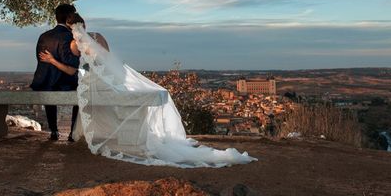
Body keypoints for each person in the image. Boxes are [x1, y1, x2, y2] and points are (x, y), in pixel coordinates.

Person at [41, 17, 257, 168]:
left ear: (71, 29)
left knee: (94, 102)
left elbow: (73, 68)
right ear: (84, 25)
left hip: (93, 83)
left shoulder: (73, 44)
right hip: (107, 80)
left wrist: (52, 60)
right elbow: (107, 60)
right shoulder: (98, 37)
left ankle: (110, 137)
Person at [30, 3, 80, 141]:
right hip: (63, 82)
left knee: (49, 86)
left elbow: (40, 60)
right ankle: (73, 132)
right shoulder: (69, 36)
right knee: (83, 88)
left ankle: (54, 131)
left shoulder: (43, 36)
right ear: (70, 17)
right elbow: (71, 63)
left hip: (44, 81)